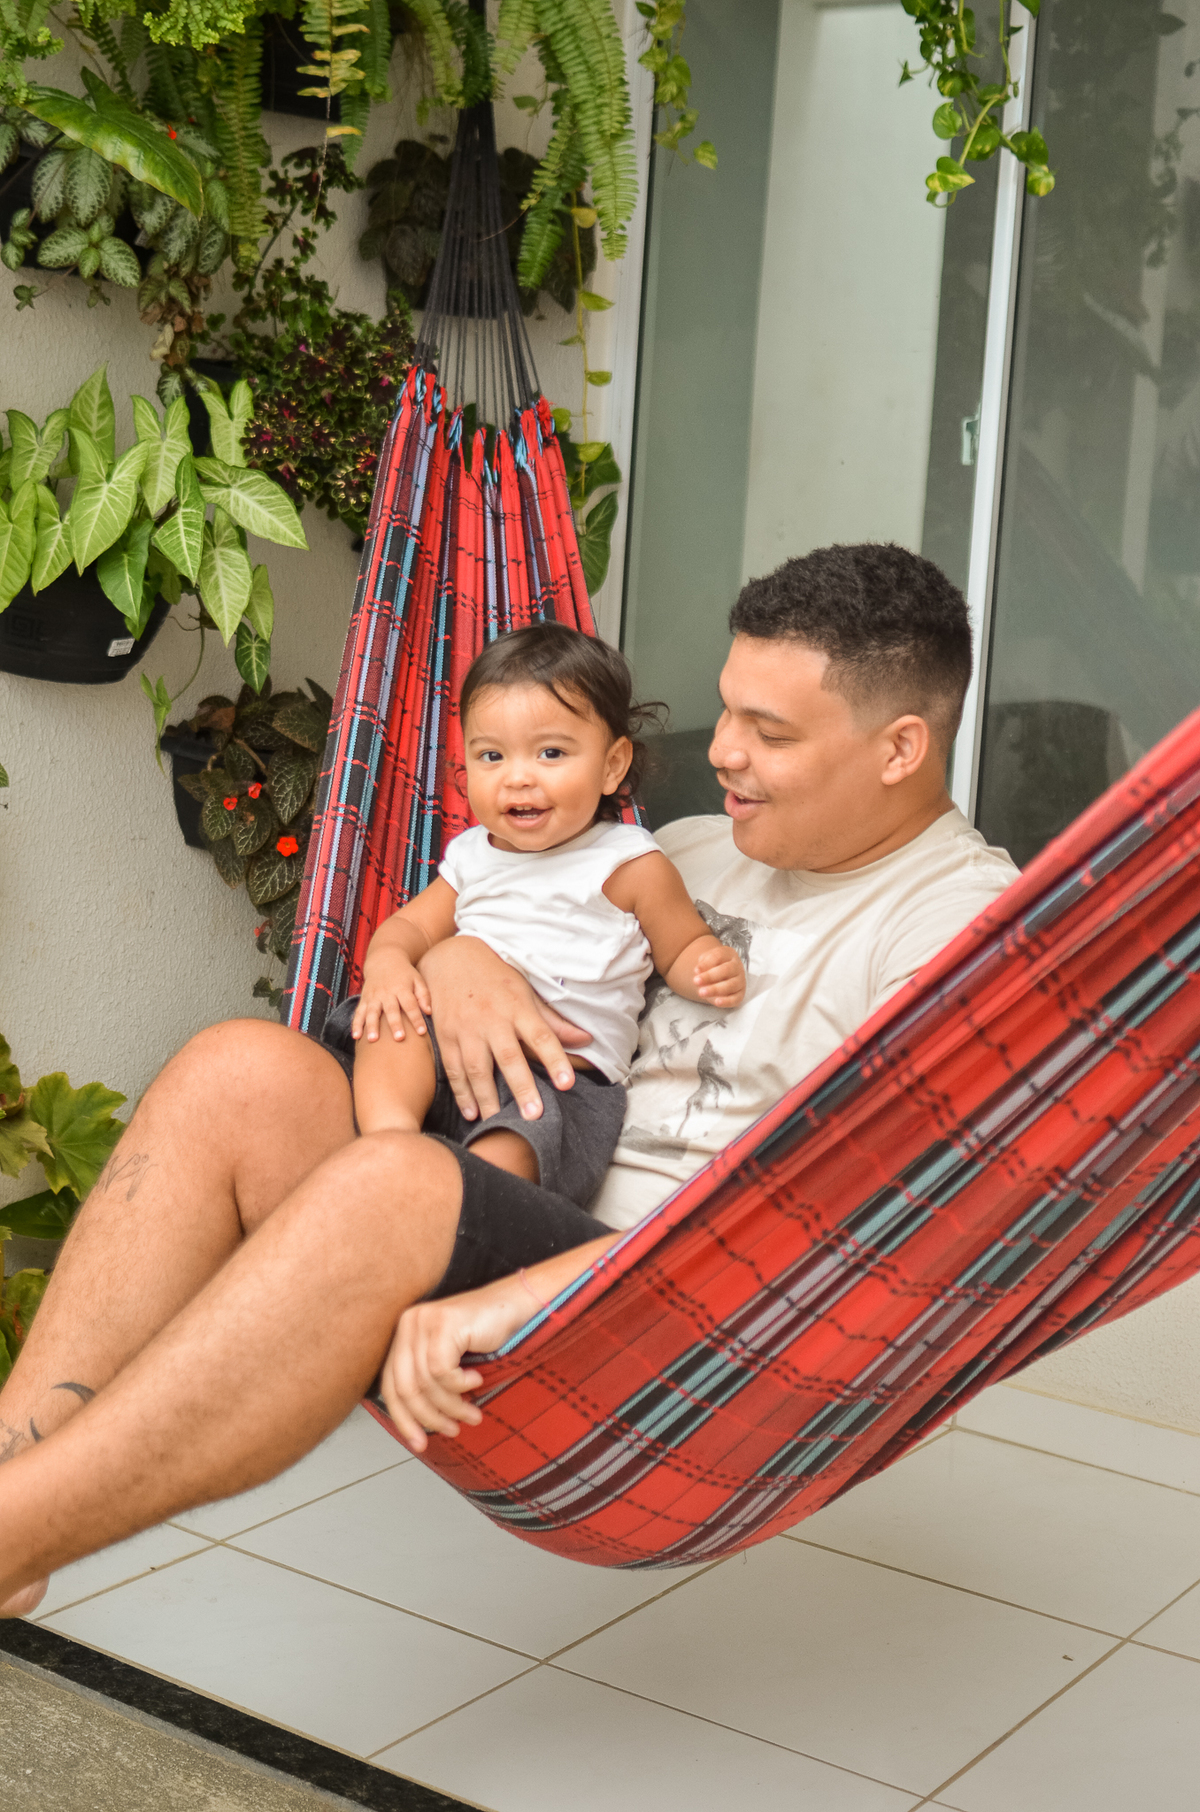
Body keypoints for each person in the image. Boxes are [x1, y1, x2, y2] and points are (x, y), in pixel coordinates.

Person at [0, 543, 1018, 1619]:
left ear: (901, 746)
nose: (722, 752)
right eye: (728, 713)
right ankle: (15, 1478)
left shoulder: (957, 927)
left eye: (769, 733)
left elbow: (888, 1222)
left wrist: (526, 1289)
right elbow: (502, 923)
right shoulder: (686, 848)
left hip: (662, 1311)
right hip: (497, 1196)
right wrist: (450, 959)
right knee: (236, 1068)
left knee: (393, 1181)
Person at [342, 623, 746, 1207]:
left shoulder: (629, 862)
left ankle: (452, 1206)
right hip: (443, 1045)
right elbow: (410, 927)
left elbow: (678, 947)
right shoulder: (472, 856)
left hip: (559, 1081)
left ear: (612, 766)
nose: (518, 775)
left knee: (517, 1154)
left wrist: (705, 965)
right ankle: (389, 1142)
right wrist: (385, 961)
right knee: (388, 1021)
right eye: (491, 755)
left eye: (551, 752)